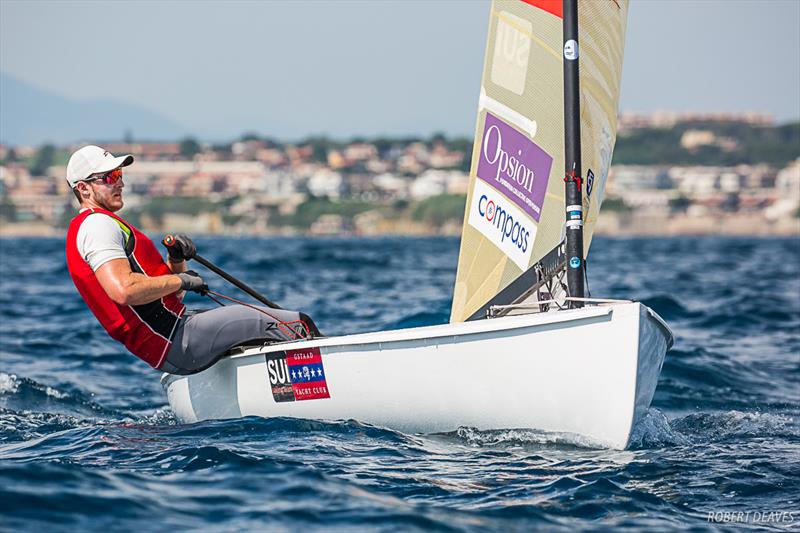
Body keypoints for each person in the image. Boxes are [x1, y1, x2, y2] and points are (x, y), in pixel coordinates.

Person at [64, 145, 317, 375]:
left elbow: (169, 299)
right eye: (109, 178)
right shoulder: (97, 226)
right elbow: (123, 291)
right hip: (178, 338)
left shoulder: (95, 226)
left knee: (261, 334)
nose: (119, 184)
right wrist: (181, 279)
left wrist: (175, 262)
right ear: (83, 188)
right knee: (297, 323)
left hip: (173, 342)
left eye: (119, 175)